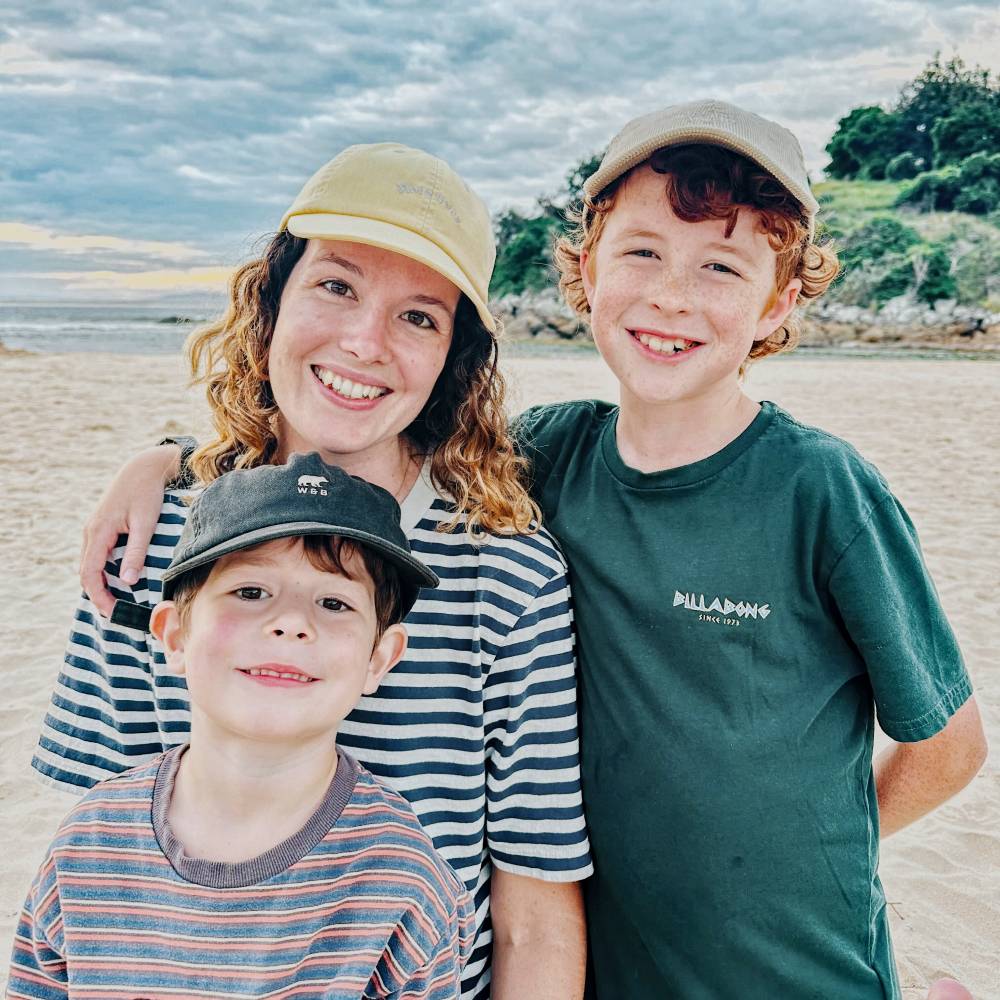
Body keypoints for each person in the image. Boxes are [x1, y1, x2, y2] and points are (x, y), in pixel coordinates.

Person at [32, 143, 591, 1000]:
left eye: (418, 317)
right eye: (335, 285)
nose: (364, 342)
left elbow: (532, 913)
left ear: (455, 359)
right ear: (271, 301)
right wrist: (167, 460)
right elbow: (99, 864)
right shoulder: (150, 541)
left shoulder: (508, 574)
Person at [512, 99, 988, 997]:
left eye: (721, 266)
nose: (671, 295)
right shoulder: (547, 455)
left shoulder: (823, 490)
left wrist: (832, 840)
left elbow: (950, 746)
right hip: (614, 967)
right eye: (642, 251)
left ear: (777, 301)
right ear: (585, 268)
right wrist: (171, 458)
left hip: (800, 971)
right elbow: (373, 456)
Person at [10, 453, 475, 998]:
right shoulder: (89, 844)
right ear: (175, 635)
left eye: (334, 602)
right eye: (251, 592)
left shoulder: (402, 877)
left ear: (380, 657)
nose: (292, 623)